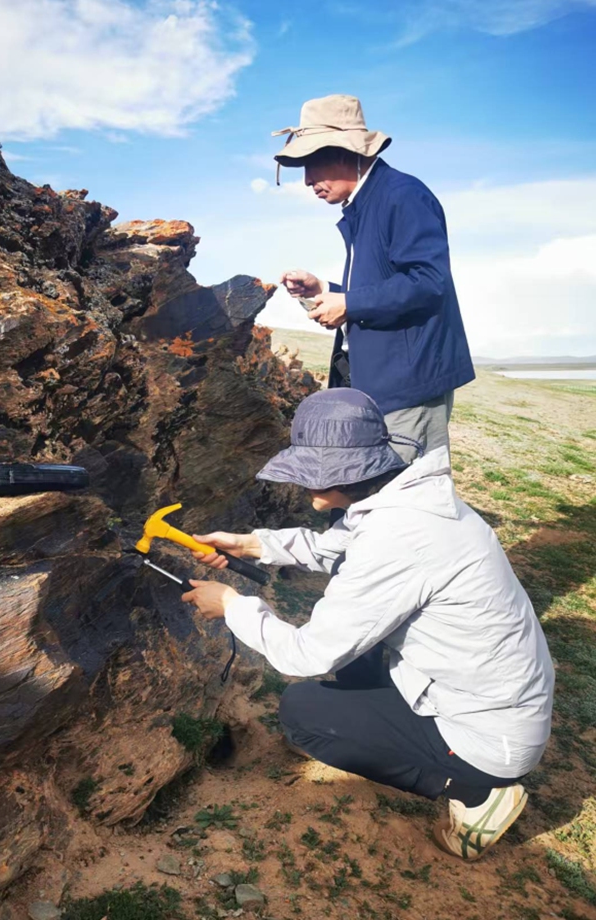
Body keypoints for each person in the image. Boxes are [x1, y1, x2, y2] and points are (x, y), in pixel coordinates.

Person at [181, 388, 554, 861]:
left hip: (486, 738)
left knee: (301, 713)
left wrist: (231, 605)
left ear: (348, 473)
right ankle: (376, 731)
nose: (306, 488)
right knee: (354, 656)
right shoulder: (411, 500)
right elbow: (334, 550)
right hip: (495, 700)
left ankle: (476, 793)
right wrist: (249, 544)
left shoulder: (400, 536)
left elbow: (306, 655)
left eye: (313, 475)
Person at [273, 94, 475, 462]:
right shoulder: (366, 203)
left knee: (407, 488)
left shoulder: (402, 195)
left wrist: (349, 303)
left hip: (408, 386)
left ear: (346, 151)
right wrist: (325, 290)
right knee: (378, 488)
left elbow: (430, 281)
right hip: (380, 384)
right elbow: (384, 287)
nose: (307, 180)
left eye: (312, 163)